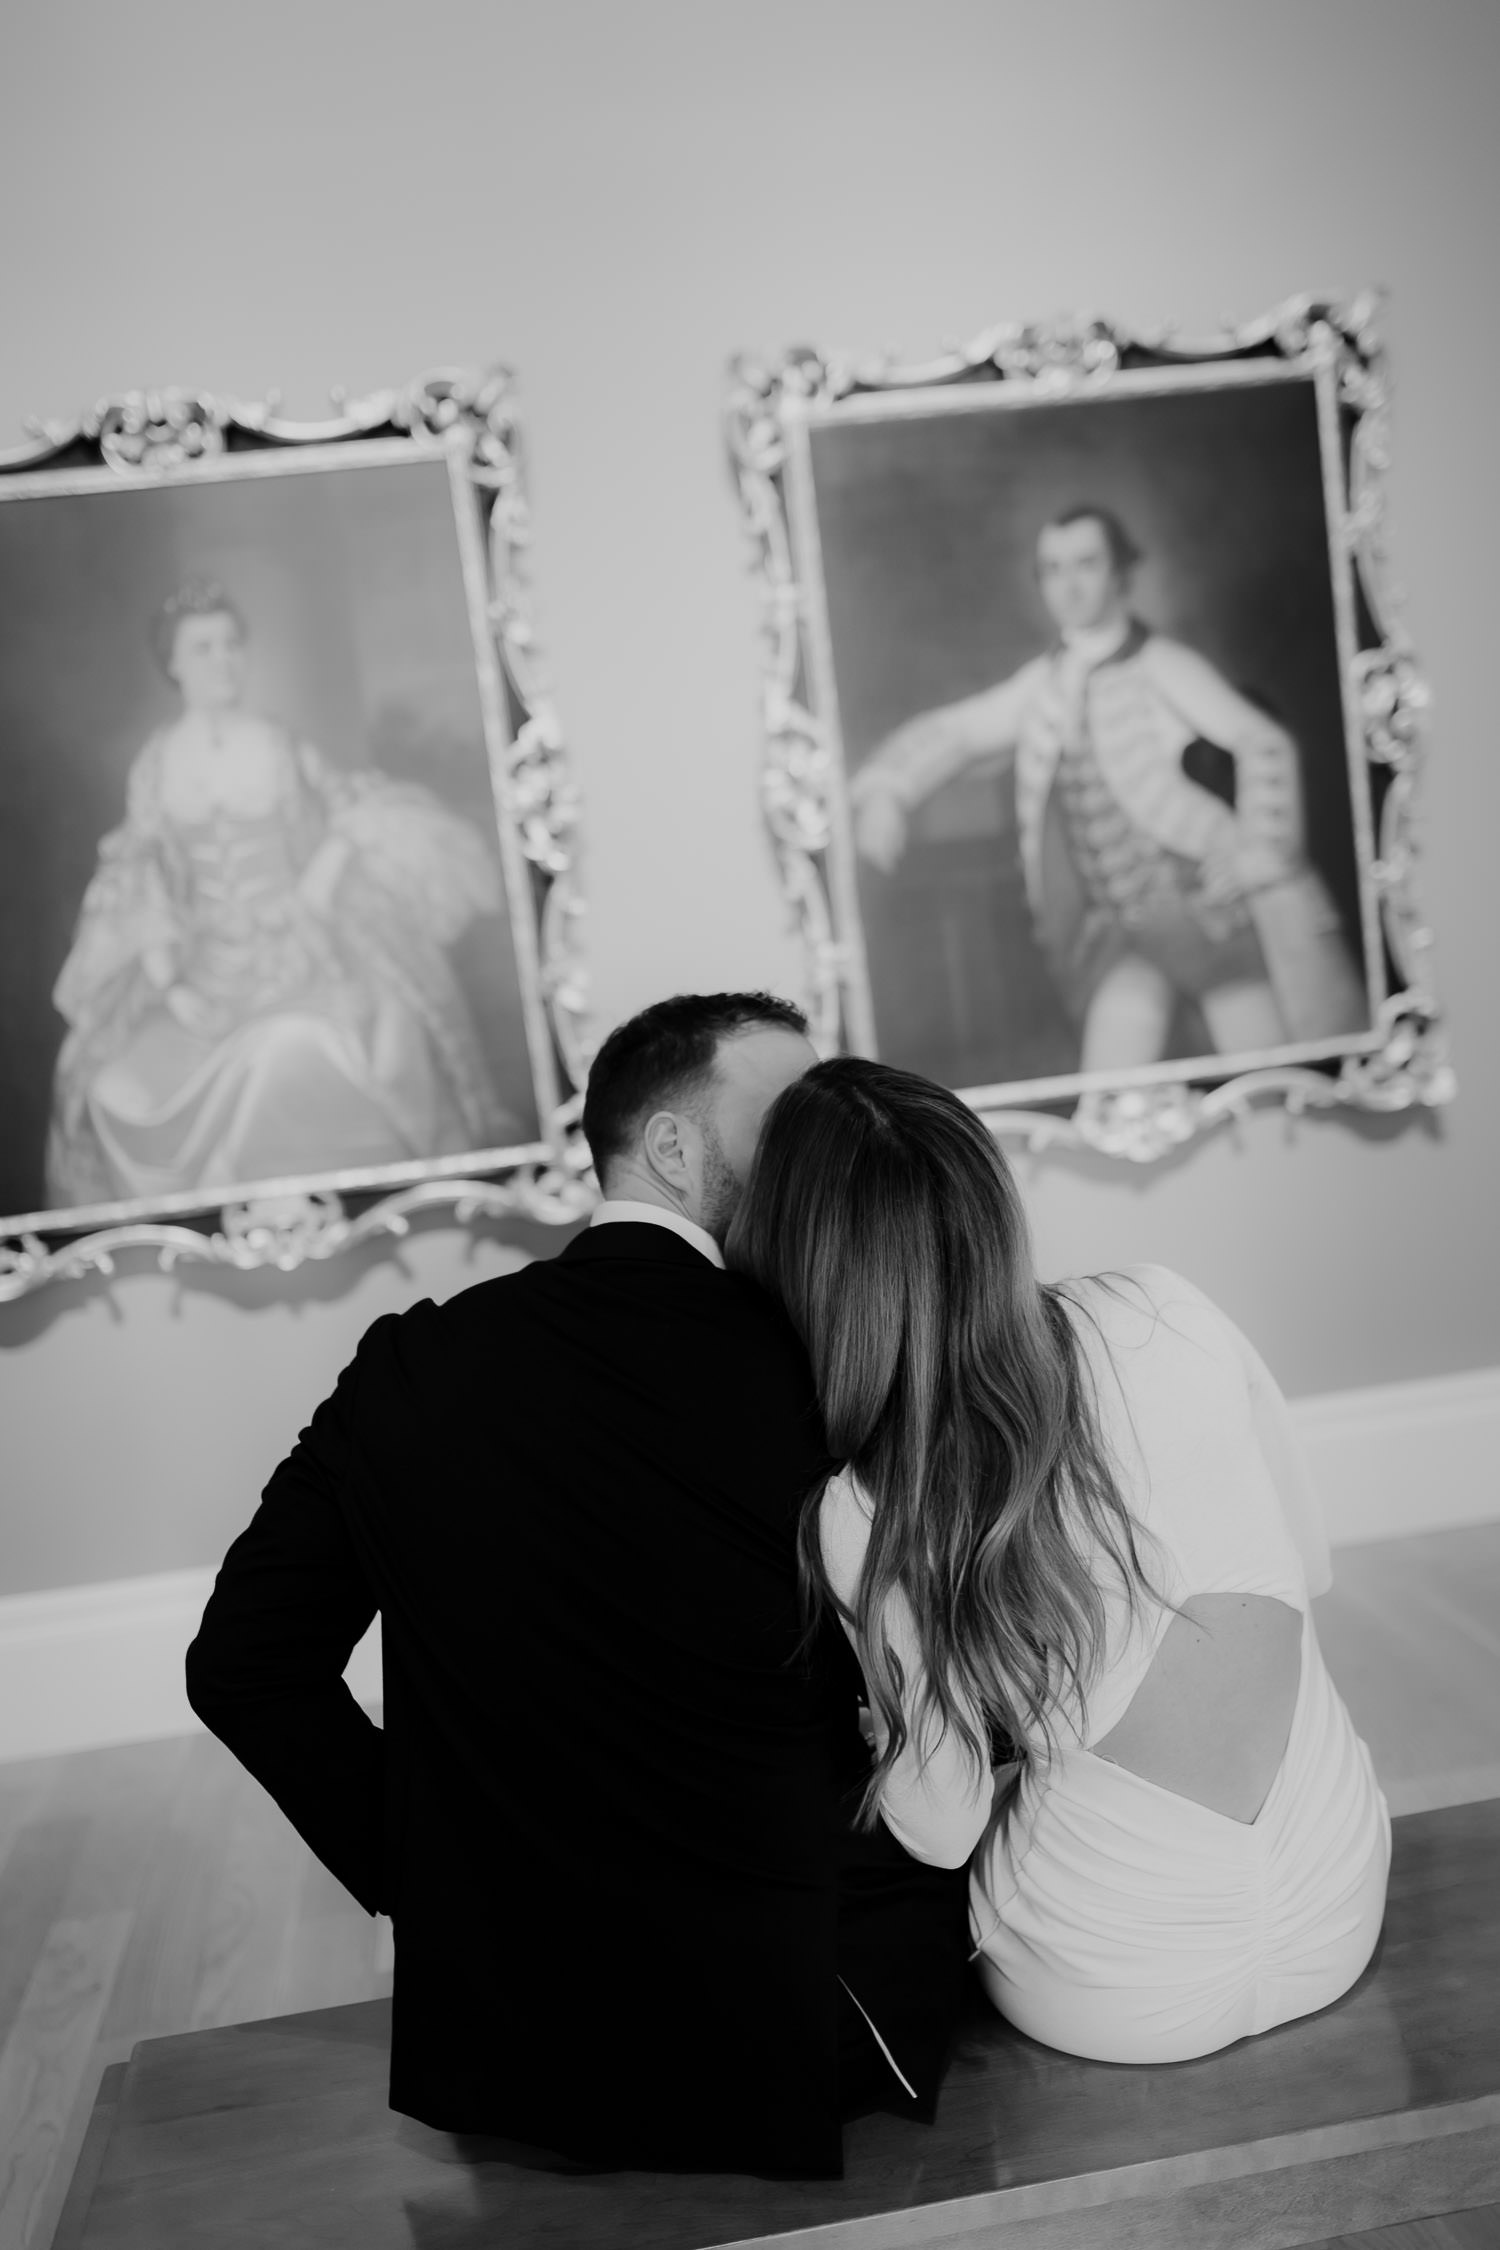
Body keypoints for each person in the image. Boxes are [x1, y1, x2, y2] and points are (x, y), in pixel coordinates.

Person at [185, 993, 972, 2180]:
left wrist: (433, 1889)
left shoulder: (414, 1366)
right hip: (803, 2038)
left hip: (511, 2054)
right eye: (789, 1117)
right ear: (670, 1145)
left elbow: (243, 1667)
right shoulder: (826, 1357)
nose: (824, 1149)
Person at [728, 1056, 1390, 2065]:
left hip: (1112, 1982)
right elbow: (1303, 1566)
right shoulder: (1167, 1308)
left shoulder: (866, 1502)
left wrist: (890, 1724)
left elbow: (941, 1828)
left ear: (807, 1264)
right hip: (1337, 1894)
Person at [849, 506, 1367, 1074]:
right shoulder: (1043, 684)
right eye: (1052, 569)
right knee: (1114, 1085)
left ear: (1121, 572)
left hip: (1205, 910)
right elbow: (958, 733)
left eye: (1086, 564)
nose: (1068, 586)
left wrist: (1260, 852)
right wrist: (888, 790)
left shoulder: (1164, 665)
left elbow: (1264, 742)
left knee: (1271, 1075)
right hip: (1119, 934)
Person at [48, 579, 511, 1211]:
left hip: (299, 957)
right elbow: (141, 880)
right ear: (175, 664)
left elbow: (355, 805)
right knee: (108, 1086)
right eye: (205, 648)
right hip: (204, 976)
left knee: (318, 1042)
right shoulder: (156, 766)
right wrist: (173, 987)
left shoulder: (277, 743)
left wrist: (322, 871)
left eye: (232, 645)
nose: (225, 660)